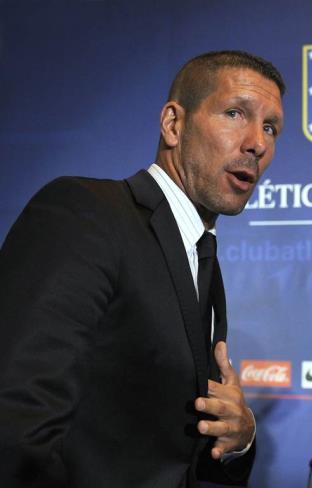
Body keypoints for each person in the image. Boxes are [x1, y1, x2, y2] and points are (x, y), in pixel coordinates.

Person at [0, 50, 285, 487]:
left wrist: (239, 439)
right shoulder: (85, 214)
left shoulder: (201, 255)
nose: (257, 143)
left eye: (270, 127)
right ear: (173, 124)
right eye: (234, 113)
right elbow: (16, 424)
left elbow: (177, 449)